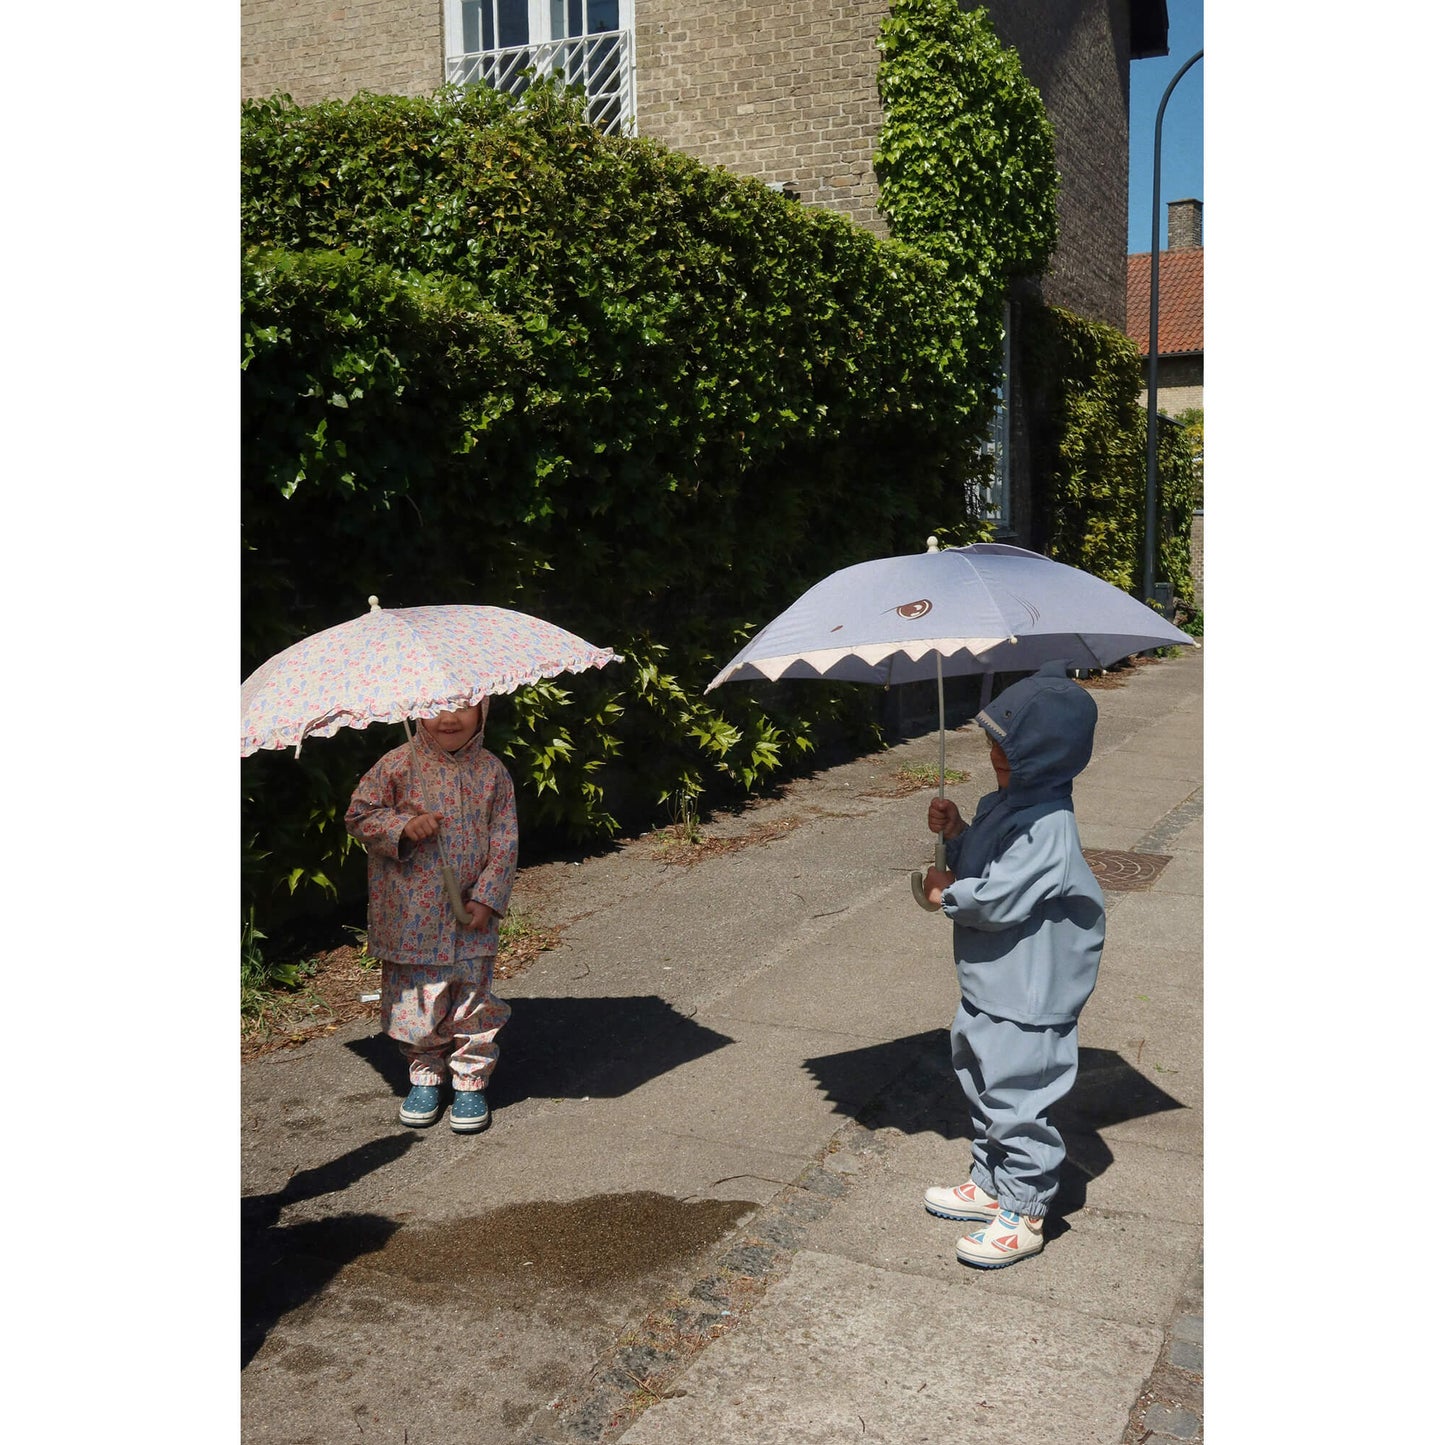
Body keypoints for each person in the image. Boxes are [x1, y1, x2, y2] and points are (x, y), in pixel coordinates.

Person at [920, 661, 1105, 1268]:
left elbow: (999, 894)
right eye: (995, 747)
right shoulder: (1007, 804)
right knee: (979, 1079)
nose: (995, 759)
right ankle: (990, 1179)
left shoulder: (1050, 826)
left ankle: (1025, 1208)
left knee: (1018, 1096)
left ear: (1045, 756)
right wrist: (956, 833)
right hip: (992, 980)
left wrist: (949, 892)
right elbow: (984, 859)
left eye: (1007, 750)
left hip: (1028, 992)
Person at [345, 699, 518, 1134]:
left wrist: (488, 895)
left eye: (463, 706)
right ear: (415, 709)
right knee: (417, 1000)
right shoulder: (396, 765)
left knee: (471, 999)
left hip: (470, 915)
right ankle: (425, 1072)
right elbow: (359, 815)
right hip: (410, 915)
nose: (449, 718)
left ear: (484, 709)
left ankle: (470, 1079)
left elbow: (504, 838)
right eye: (435, 706)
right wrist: (401, 826)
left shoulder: (492, 772)